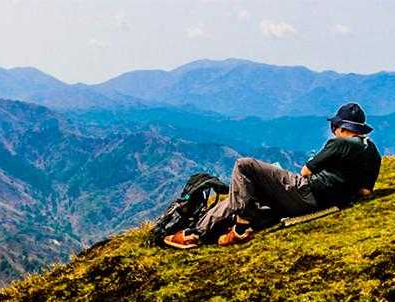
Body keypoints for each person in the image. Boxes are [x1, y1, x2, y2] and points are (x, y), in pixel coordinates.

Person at [164, 102, 382, 249]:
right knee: (242, 193)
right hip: (323, 202)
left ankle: (239, 227)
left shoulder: (340, 143)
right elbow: (365, 191)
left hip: (307, 192)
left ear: (341, 128)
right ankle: (197, 233)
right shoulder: (373, 152)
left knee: (244, 165)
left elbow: (305, 171)